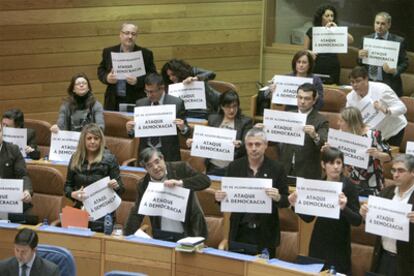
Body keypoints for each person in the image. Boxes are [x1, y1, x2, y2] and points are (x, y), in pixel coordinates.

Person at [214, 128, 289, 258]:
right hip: (240, 231)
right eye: (250, 144)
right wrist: (219, 198)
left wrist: (278, 197)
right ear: (246, 146)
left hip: (265, 233)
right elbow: (225, 202)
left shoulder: (277, 168)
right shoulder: (234, 167)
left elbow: (286, 201)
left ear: (265, 145)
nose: (254, 148)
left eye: (258, 144)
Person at [288, 147, 362, 274]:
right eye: (331, 163)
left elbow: (357, 220)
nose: (335, 167)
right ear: (323, 164)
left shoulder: (349, 186)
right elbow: (308, 218)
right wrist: (295, 206)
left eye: (338, 163)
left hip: (339, 242)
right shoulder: (318, 185)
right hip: (319, 239)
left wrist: (344, 208)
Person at [124, 147, 210, 238]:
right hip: (162, 233)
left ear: (163, 159)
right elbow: (137, 212)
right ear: (146, 169)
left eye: (157, 161)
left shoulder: (181, 169)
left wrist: (181, 183)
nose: (155, 167)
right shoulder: (143, 185)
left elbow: (205, 181)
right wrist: (126, 236)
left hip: (189, 231)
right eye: (149, 165)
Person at [360, 154, 414, 276]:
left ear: (413, 172)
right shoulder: (386, 192)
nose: (395, 174)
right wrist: (365, 215)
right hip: (382, 257)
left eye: (401, 171)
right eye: (393, 170)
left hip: (408, 263)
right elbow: (373, 221)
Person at [64, 123, 124, 226]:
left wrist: (115, 185)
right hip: (80, 209)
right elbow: (67, 186)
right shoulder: (75, 158)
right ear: (83, 140)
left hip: (103, 212)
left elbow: (121, 189)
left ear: (101, 141)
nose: (92, 141)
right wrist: (72, 194)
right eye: (89, 138)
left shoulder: (110, 159)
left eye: (96, 138)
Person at [126, 73, 190, 162]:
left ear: (162, 88)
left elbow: (187, 133)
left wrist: (183, 128)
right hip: (146, 153)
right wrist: (130, 130)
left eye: (152, 91)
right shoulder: (140, 104)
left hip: (168, 154)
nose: (149, 95)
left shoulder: (176, 103)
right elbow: (137, 132)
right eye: (146, 91)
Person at [186, 90, 253, 175]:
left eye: (234, 106)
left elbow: (247, 144)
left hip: (234, 166)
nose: (232, 110)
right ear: (222, 106)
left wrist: (240, 144)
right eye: (228, 107)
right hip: (213, 165)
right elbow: (206, 140)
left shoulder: (245, 122)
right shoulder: (213, 119)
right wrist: (194, 142)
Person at [97, 23, 157, 111]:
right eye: (127, 33)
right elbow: (101, 70)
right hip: (114, 99)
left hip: (137, 98)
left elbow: (153, 75)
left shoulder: (146, 53)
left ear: (136, 36)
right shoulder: (108, 51)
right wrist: (107, 77)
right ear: (120, 35)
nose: (130, 36)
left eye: (133, 34)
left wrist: (138, 81)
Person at [346, 66, 407, 146]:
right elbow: (348, 118)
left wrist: (386, 110)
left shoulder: (382, 90)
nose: (355, 85)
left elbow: (402, 108)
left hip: (394, 129)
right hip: (375, 134)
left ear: (366, 79)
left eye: (358, 81)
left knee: (389, 156)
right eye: (352, 82)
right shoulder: (350, 97)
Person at [279, 83, 329, 182]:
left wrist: (315, 135)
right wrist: (264, 132)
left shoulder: (321, 120)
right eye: (300, 97)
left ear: (314, 101)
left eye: (307, 99)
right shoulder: (287, 116)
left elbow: (323, 145)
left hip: (307, 172)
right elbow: (274, 141)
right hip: (285, 168)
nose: (302, 101)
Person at [338, 107, 391, 195]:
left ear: (350, 122)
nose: (338, 123)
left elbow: (389, 157)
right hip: (350, 182)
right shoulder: (342, 135)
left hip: (372, 183)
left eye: (341, 121)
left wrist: (377, 154)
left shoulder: (373, 135)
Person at [358, 12, 409, 97]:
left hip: (389, 84)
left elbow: (405, 63)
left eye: (383, 24)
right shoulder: (365, 39)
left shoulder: (398, 41)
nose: (379, 26)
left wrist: (395, 70)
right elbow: (360, 63)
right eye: (377, 23)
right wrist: (360, 57)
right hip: (369, 83)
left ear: (389, 25)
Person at [257, 50, 324, 114]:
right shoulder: (285, 78)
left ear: (309, 65)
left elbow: (321, 105)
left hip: (308, 114)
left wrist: (316, 96)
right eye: (298, 62)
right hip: (289, 113)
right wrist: (271, 92)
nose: (301, 65)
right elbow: (271, 99)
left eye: (304, 62)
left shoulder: (316, 80)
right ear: (294, 63)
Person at [304, 4, 354, 85]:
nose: (330, 18)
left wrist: (337, 29)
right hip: (316, 63)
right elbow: (304, 51)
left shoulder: (336, 30)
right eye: (327, 16)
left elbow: (351, 40)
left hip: (332, 65)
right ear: (321, 17)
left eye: (332, 16)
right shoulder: (312, 30)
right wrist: (309, 52)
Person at [0, 123, 33, 214]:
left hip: (10, 203)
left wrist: (27, 191)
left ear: (2, 132)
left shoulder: (13, 150)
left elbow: (23, 175)